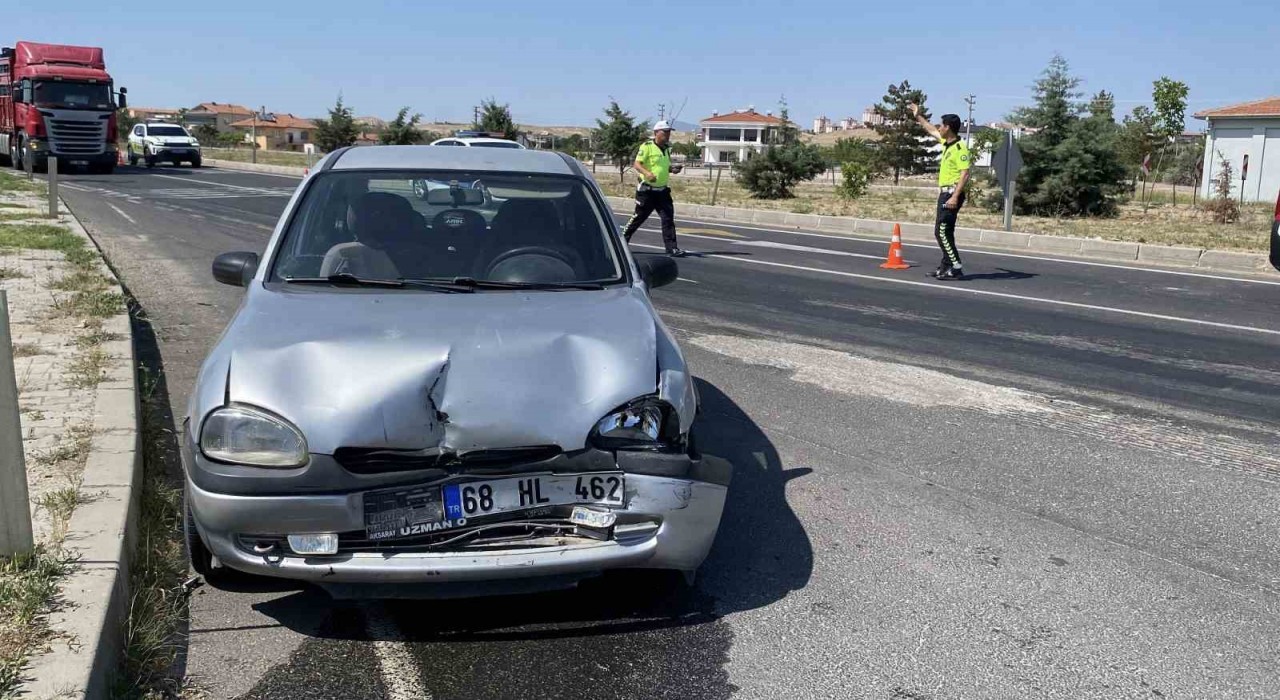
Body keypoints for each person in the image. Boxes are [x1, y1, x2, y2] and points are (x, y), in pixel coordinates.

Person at [910, 104, 971, 280]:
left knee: (941, 232)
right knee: (945, 231)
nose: (939, 128)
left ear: (948, 128)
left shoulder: (960, 149)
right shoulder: (947, 143)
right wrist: (918, 116)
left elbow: (965, 173)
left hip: (951, 194)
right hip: (945, 193)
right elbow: (930, 130)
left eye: (942, 125)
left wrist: (955, 196)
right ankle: (945, 267)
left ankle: (956, 266)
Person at [622, 121, 686, 257]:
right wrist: (647, 173)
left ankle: (672, 248)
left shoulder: (668, 148)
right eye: (665, 132)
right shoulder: (647, 147)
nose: (668, 135)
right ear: (656, 132)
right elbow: (637, 164)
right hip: (647, 191)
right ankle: (621, 242)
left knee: (668, 218)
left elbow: (664, 167)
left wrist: (672, 169)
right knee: (638, 217)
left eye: (669, 132)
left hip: (662, 191)